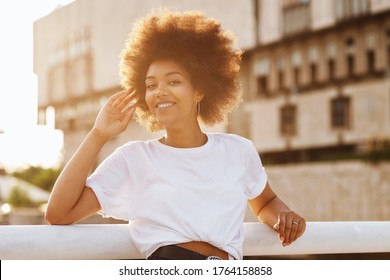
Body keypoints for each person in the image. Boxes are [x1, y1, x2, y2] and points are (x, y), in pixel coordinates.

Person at [45, 8, 306, 260]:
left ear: (199, 90)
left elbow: (265, 202)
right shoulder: (134, 158)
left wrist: (285, 217)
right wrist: (98, 134)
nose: (159, 91)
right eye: (150, 85)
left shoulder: (239, 151)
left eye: (174, 81)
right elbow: (58, 213)